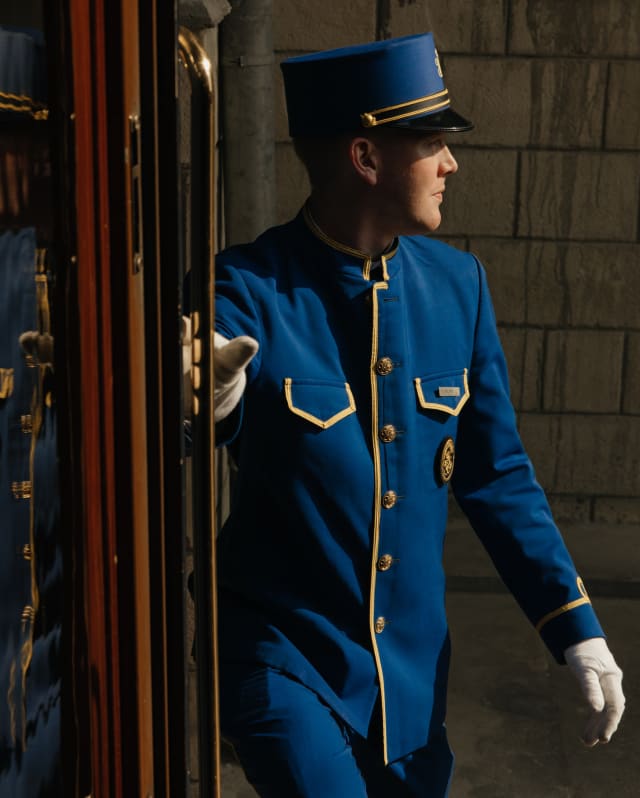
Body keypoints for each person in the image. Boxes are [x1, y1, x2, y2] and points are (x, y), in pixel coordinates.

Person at [210, 32, 625, 797]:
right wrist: (211, 392)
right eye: (432, 142)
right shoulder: (246, 285)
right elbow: (210, 382)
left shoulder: (458, 284)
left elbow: (498, 476)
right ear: (366, 159)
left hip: (409, 681)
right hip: (285, 658)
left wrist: (575, 626)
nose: (451, 164)